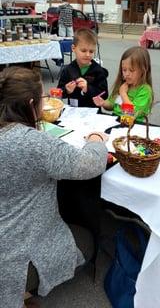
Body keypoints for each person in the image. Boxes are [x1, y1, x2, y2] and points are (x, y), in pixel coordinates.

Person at [0, 66, 108, 308]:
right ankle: (22, 291)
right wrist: (96, 140)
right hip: (12, 254)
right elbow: (89, 164)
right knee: (87, 241)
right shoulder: (30, 143)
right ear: (31, 105)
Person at [93, 46, 153, 122]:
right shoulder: (123, 85)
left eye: (131, 70)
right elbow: (112, 105)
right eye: (124, 70)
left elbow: (130, 114)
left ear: (143, 70)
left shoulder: (144, 90)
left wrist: (123, 94)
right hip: (116, 121)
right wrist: (103, 103)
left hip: (132, 125)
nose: (127, 74)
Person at [57, 28, 108, 107]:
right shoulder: (68, 70)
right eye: (83, 51)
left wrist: (88, 88)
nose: (87, 54)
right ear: (73, 48)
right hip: (73, 111)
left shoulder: (98, 71)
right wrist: (66, 90)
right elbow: (59, 92)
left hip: (93, 112)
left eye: (91, 51)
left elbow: (104, 94)